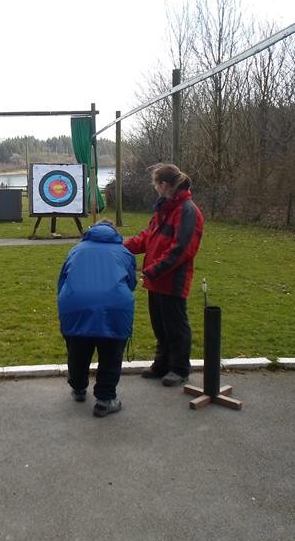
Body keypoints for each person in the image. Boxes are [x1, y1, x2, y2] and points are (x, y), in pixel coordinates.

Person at [124, 163, 204, 387]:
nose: (154, 187)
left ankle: (179, 369)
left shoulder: (187, 211)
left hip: (173, 280)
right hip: (156, 279)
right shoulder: (164, 208)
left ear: (164, 185)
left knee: (175, 325)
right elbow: (148, 237)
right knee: (160, 325)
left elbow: (181, 250)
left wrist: (152, 270)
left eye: (155, 183)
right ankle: (162, 364)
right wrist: (121, 245)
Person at [57, 219, 137, 417]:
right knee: (111, 354)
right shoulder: (125, 252)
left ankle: (78, 386)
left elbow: (63, 279)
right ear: (114, 232)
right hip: (115, 308)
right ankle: (105, 398)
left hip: (75, 306)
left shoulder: (76, 250)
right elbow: (131, 282)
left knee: (78, 350)